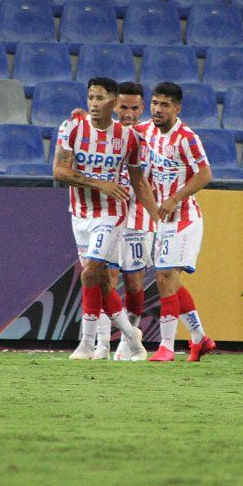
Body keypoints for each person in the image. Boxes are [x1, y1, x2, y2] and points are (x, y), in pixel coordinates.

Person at [53, 77, 154, 361]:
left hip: (117, 213)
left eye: (100, 99)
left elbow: (139, 179)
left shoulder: (134, 136)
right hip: (81, 213)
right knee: (102, 281)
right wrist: (101, 184)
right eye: (91, 98)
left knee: (103, 276)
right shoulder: (73, 126)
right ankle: (124, 338)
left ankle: (88, 343)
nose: (94, 104)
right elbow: (59, 171)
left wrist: (157, 213)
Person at [138, 82, 216, 362]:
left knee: (164, 277)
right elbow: (120, 129)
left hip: (184, 218)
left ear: (177, 108)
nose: (158, 109)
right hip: (162, 220)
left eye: (165, 105)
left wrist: (175, 199)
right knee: (170, 282)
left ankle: (166, 347)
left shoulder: (186, 137)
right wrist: (84, 118)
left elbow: (205, 174)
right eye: (155, 103)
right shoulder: (146, 130)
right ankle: (199, 338)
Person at [107, 82, 152, 361]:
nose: (129, 113)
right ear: (115, 106)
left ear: (142, 108)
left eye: (134, 108)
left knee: (134, 284)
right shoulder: (103, 132)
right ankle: (101, 343)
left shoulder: (151, 133)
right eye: (124, 107)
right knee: (106, 281)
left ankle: (129, 337)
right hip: (109, 215)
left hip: (137, 219)